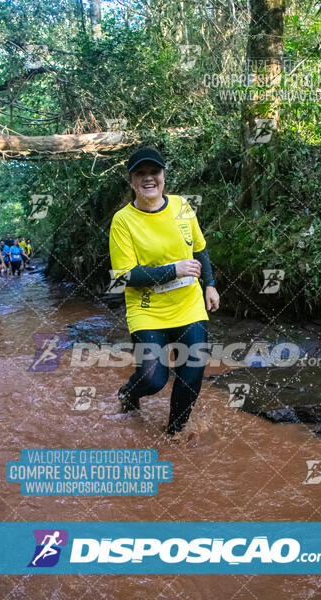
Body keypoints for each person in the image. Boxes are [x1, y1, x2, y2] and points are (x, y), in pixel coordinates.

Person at [109, 146, 220, 436]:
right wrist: (174, 270)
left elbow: (200, 248)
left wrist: (210, 284)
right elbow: (124, 275)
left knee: (192, 371)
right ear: (131, 181)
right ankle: (129, 393)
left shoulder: (182, 206)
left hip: (189, 305)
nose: (149, 179)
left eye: (154, 172)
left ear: (163, 176)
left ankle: (174, 432)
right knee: (153, 378)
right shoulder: (123, 220)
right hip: (147, 311)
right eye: (140, 174)